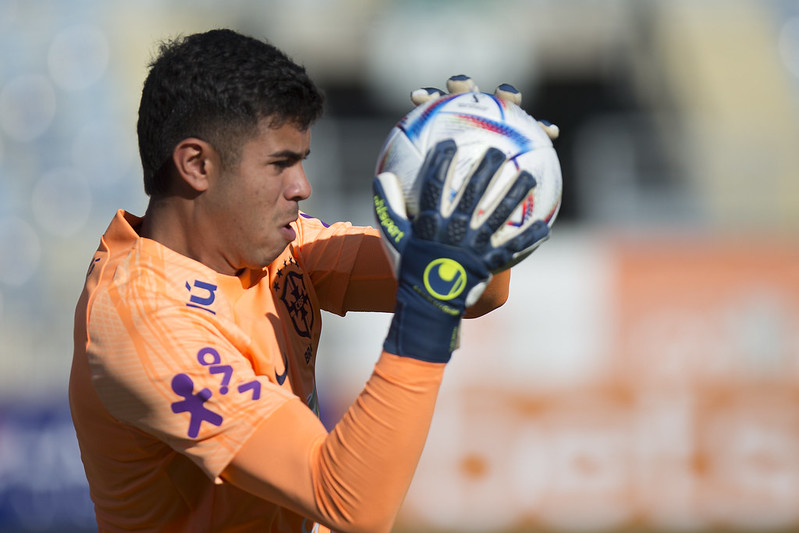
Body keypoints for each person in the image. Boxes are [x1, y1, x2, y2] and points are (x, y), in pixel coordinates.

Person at [69, 29, 551, 533]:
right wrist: (426, 315)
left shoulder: (280, 247)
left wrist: (491, 182)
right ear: (197, 165)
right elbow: (349, 504)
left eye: (301, 161)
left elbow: (477, 290)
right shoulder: (144, 321)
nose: (302, 187)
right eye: (280, 164)